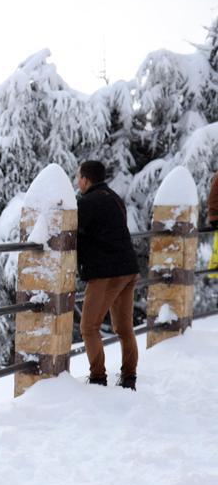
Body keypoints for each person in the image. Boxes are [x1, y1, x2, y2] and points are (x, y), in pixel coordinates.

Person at [76, 160, 140, 390]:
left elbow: (73, 232)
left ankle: (98, 378)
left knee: (88, 327)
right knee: (124, 328)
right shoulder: (115, 198)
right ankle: (129, 377)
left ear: (85, 179)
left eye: (79, 178)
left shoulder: (86, 202)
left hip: (106, 272)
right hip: (128, 269)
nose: (78, 182)